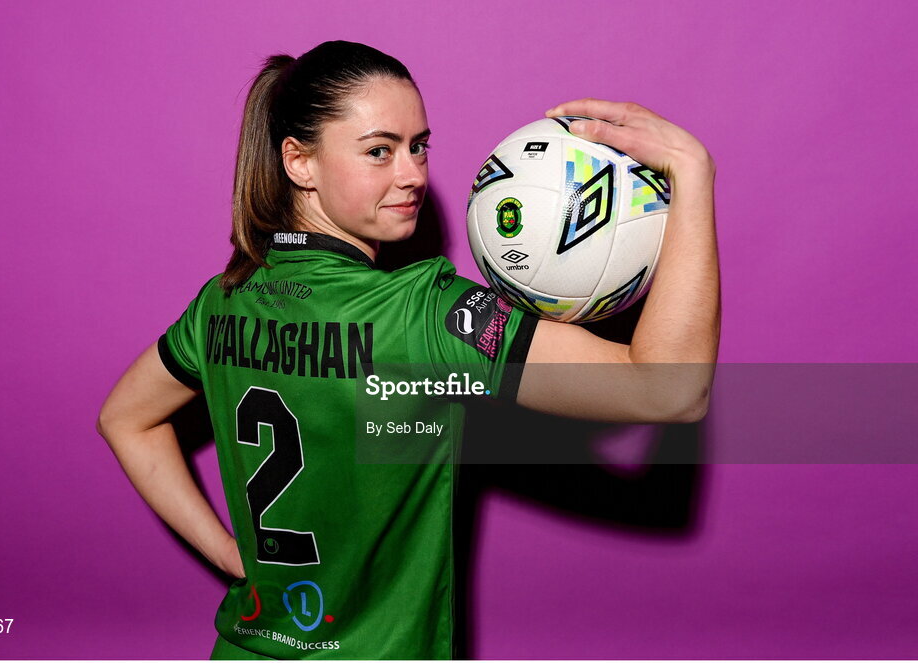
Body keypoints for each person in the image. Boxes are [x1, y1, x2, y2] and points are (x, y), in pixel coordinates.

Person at [96, 40, 719, 660]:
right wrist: (691, 170)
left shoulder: (221, 303)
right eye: (379, 151)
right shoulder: (425, 311)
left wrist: (234, 555)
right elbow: (668, 389)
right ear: (299, 162)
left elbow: (124, 418)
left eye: (419, 146)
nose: (413, 174)